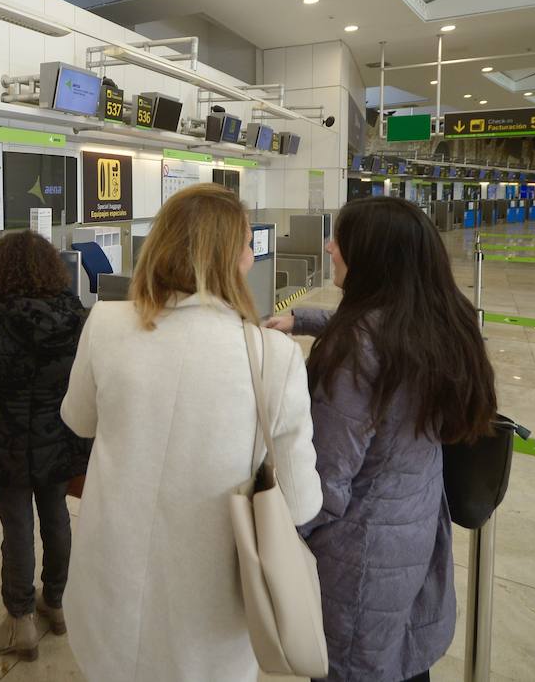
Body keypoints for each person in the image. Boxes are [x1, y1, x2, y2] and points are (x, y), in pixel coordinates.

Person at [61, 183, 321, 682]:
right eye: (247, 244)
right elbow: (302, 502)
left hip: (108, 586)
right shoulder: (275, 356)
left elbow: (78, 420)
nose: (251, 255)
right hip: (209, 616)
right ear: (229, 258)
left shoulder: (106, 323)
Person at [270, 197, 496, 682]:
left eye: (341, 239)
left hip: (359, 560)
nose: (329, 247)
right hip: (414, 537)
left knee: (358, 665)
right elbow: (384, 331)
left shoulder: (357, 352)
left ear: (372, 257)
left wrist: (281, 544)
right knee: (404, 662)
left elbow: (326, 484)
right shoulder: (446, 323)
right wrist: (303, 320)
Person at [0, 230, 88, 660]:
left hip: (6, 433)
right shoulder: (74, 312)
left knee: (17, 525)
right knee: (57, 516)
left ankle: (19, 621)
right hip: (57, 432)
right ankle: (57, 603)